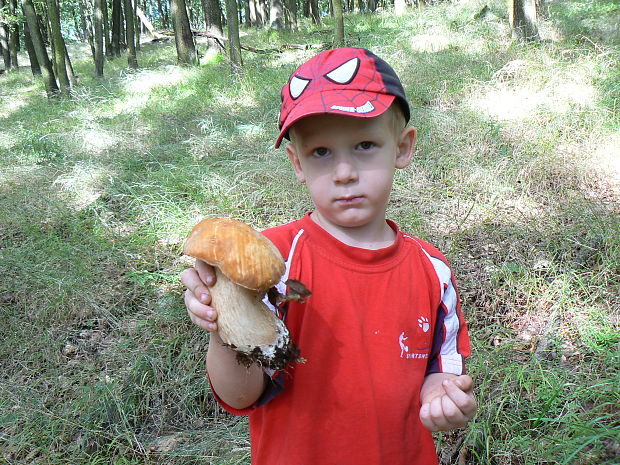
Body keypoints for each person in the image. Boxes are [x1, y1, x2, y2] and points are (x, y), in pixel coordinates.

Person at [181, 47, 476, 465]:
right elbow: (241, 394)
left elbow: (443, 371)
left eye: (365, 145)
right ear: (297, 162)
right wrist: (219, 325)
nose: (344, 173)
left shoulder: (432, 270)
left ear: (403, 148)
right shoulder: (271, 260)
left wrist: (441, 396)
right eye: (321, 152)